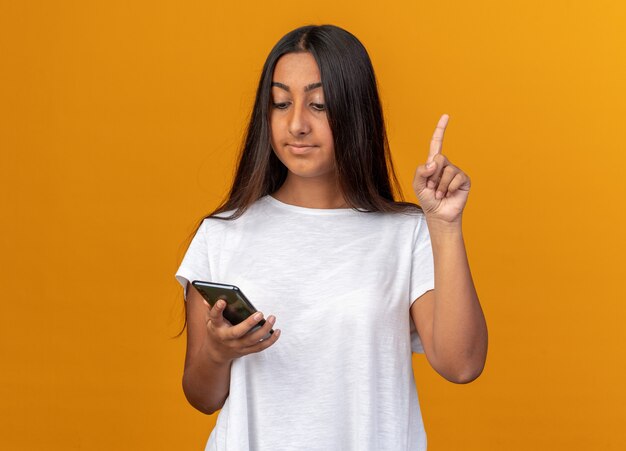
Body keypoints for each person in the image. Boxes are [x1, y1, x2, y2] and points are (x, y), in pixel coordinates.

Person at [175, 24, 488, 451]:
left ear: (356, 113)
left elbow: (462, 364)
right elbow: (201, 397)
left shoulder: (406, 233)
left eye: (319, 105)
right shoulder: (223, 233)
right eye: (280, 103)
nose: (297, 123)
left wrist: (446, 226)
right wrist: (218, 351)